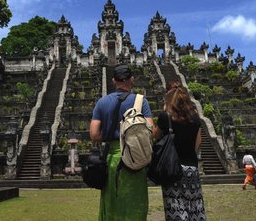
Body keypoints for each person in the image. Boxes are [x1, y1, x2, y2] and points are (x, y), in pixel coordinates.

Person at [89, 64, 154, 221]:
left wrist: (113, 136)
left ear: (113, 81)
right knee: (135, 203)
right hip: (136, 158)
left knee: (112, 202)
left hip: (112, 159)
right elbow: (150, 129)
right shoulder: (140, 101)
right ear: (132, 80)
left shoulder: (102, 102)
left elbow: (94, 134)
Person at [154, 82, 207, 221]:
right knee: (195, 207)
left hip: (172, 169)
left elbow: (155, 135)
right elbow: (198, 142)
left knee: (176, 209)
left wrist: (165, 109)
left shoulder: (165, 116)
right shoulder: (195, 118)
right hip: (192, 168)